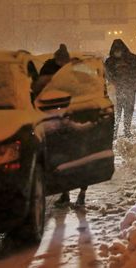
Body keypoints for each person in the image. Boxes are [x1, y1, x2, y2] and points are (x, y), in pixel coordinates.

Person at [39, 44, 88, 207]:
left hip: (74, 115)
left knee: (80, 158)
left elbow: (87, 86)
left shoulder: (74, 68)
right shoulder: (48, 68)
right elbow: (40, 89)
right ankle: (65, 193)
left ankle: (82, 193)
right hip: (55, 117)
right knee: (61, 159)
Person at [105, 39, 136, 138]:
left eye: (118, 49)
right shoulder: (132, 58)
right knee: (121, 110)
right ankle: (118, 131)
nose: (117, 52)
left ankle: (124, 130)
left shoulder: (111, 61)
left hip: (124, 88)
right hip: (120, 89)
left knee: (125, 110)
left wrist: (133, 83)